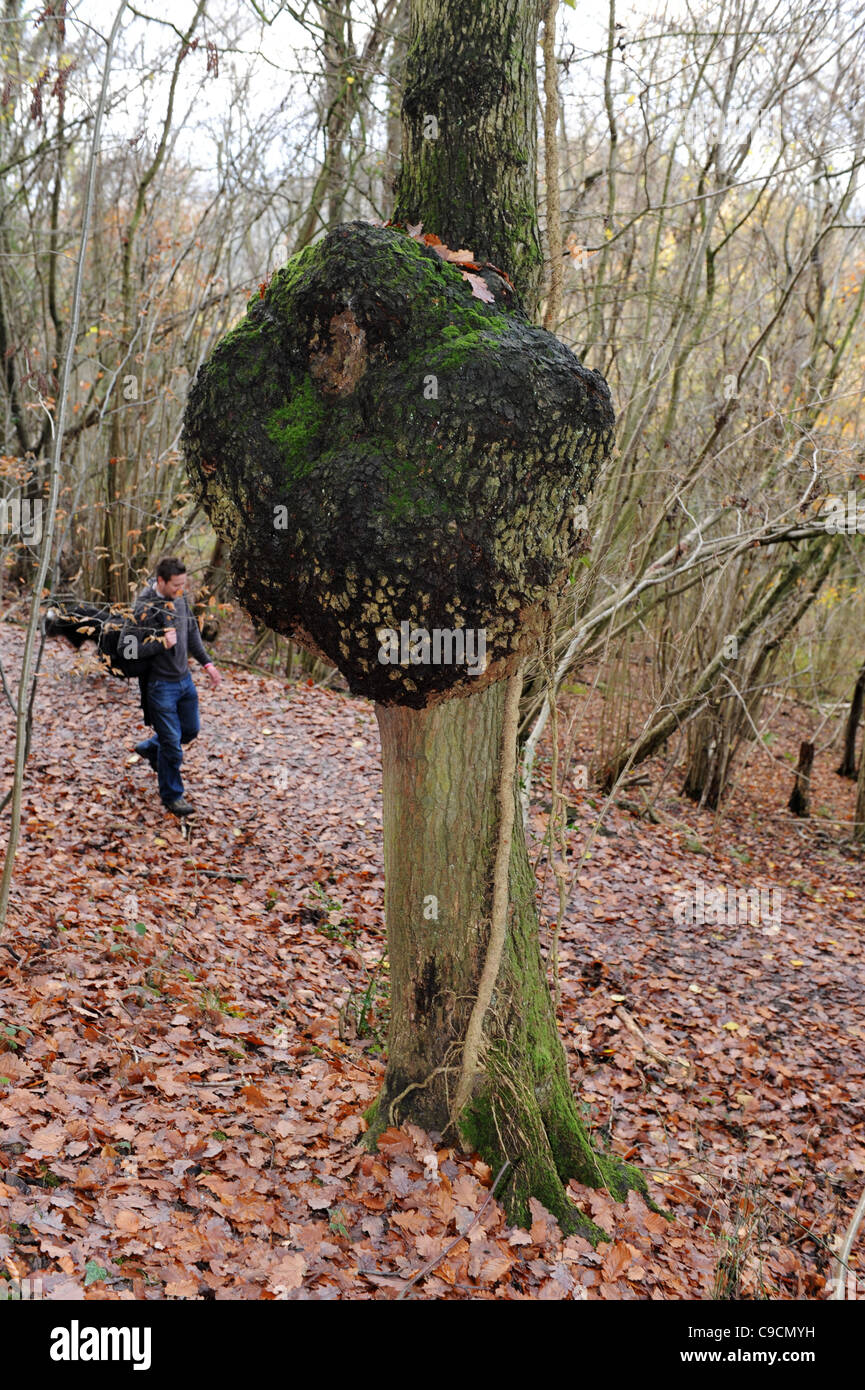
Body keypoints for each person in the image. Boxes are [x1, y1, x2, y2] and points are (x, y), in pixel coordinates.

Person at [131, 557, 222, 816]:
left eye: (183, 584)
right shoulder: (143, 606)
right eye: (176, 585)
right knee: (172, 744)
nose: (180, 590)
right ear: (161, 581)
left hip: (185, 680)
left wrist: (208, 665)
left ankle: (151, 747)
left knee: (190, 731)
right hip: (160, 686)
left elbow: (191, 630)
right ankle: (173, 796)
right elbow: (130, 650)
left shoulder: (179, 598)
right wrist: (161, 644)